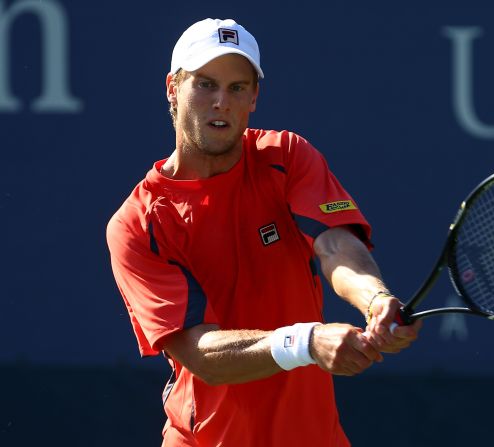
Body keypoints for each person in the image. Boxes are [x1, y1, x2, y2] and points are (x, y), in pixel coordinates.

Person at [106, 17, 421, 447]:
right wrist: (307, 342)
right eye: (205, 84)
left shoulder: (286, 156)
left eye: (237, 87)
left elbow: (334, 245)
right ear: (172, 88)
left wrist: (376, 299)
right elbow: (201, 354)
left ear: (254, 97)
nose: (221, 102)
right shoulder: (138, 223)